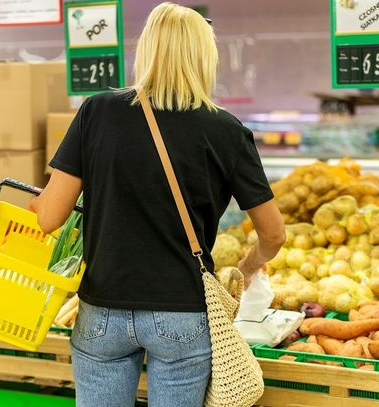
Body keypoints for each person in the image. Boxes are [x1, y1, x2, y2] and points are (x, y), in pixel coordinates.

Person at [30, 2, 285, 406]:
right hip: (182, 313)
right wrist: (249, 267)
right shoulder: (227, 131)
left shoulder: (97, 111)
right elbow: (273, 234)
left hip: (103, 308)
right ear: (206, 57)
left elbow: (48, 218)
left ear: (146, 50)